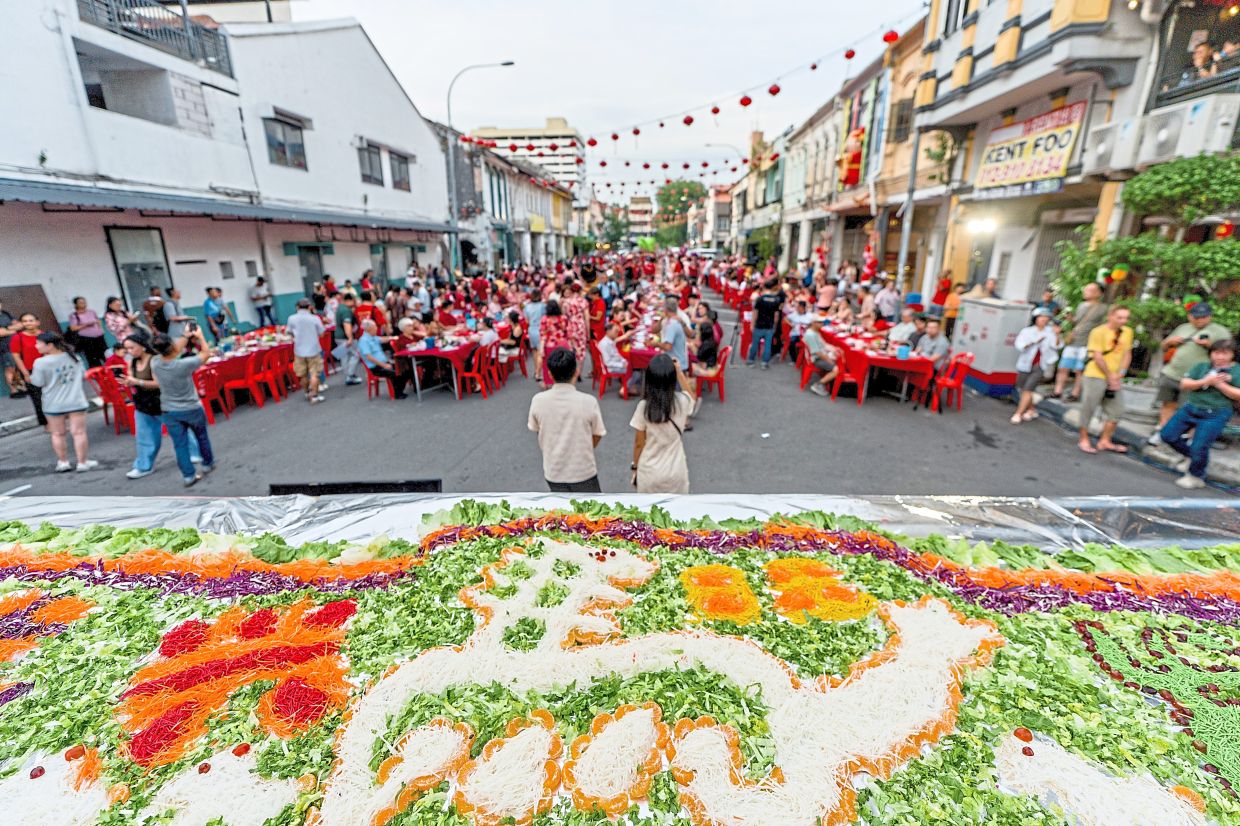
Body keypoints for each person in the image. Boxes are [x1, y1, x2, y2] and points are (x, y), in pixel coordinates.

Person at [1159, 339, 1240, 489]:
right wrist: (1206, 380)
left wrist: (1220, 384)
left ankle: (1196, 475)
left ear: (1232, 355)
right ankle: (1193, 458)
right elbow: (1184, 384)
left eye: (1225, 353)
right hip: (1191, 407)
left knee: (1200, 446)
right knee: (1167, 435)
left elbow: (1237, 394)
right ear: (1211, 354)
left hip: (1216, 412)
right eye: (1216, 353)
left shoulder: (1237, 371)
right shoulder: (1201, 366)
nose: (1220, 357)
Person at [119, 333, 200, 479]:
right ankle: (143, 466)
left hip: (162, 402)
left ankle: (194, 453)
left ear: (142, 346)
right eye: (126, 349)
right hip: (143, 405)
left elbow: (159, 383)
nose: (128, 351)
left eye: (131, 347)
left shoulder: (155, 361)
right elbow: (132, 379)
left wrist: (137, 382)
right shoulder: (132, 363)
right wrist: (128, 382)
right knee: (144, 437)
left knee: (179, 430)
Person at [527, 346, 606, 492]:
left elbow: (537, 429)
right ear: (576, 372)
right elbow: (597, 434)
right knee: (591, 511)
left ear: (549, 374)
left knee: (563, 512)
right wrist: (584, 447)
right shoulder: (588, 401)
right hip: (583, 471)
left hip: (553, 470)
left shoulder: (538, 400)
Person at [1153, 302, 1231, 435]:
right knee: (1168, 403)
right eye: (1196, 317)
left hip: (1196, 378)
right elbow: (1164, 346)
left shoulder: (1220, 331)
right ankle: (1163, 430)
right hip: (1173, 373)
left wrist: (1209, 345)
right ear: (1190, 316)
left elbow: (1228, 353)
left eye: (1203, 317)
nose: (1200, 320)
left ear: (1210, 316)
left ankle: (1185, 437)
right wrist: (1170, 342)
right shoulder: (1183, 328)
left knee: (1189, 409)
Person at [151, 328, 216, 486]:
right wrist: (200, 336)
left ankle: (188, 476)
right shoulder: (185, 364)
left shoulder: (155, 362)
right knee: (202, 437)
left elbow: (172, 350)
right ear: (172, 347)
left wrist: (185, 335)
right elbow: (206, 354)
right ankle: (207, 464)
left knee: (180, 445)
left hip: (169, 410)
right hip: (191, 408)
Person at [27, 331, 96, 473]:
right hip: (76, 401)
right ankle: (82, 462)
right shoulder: (74, 358)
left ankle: (63, 462)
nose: (36, 346)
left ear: (50, 345)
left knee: (58, 434)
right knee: (79, 433)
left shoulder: (40, 363)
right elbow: (83, 376)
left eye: (38, 343)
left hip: (53, 403)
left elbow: (38, 382)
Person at [629, 354, 692, 494]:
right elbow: (690, 395)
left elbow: (639, 443)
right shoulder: (682, 402)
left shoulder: (644, 407)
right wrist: (679, 372)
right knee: (676, 513)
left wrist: (635, 467)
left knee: (647, 514)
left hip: (649, 471)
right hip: (675, 471)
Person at [1078, 306, 1134, 455]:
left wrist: (1120, 374)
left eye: (1126, 318)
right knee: (1089, 407)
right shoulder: (1098, 332)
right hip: (1095, 375)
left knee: (1117, 409)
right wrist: (1110, 376)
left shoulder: (1127, 332)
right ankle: (1083, 438)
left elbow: (1127, 353)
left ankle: (1105, 440)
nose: (1123, 321)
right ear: (1111, 316)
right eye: (1120, 317)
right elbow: (1097, 356)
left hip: (1115, 376)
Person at [1053, 282, 1107, 401]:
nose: (1085, 292)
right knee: (1063, 367)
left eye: (1090, 290)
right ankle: (1058, 391)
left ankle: (1075, 394)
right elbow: (1078, 322)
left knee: (1079, 370)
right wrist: (1071, 319)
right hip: (1074, 340)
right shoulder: (1081, 305)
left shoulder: (1103, 308)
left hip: (1088, 343)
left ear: (1099, 293)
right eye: (1086, 289)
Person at [1011, 308, 1060, 424]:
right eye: (1041, 316)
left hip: (1039, 365)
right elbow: (1019, 345)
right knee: (1022, 388)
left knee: (1028, 389)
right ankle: (1031, 409)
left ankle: (1018, 413)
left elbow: (1057, 346)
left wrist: (1057, 335)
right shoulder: (1027, 331)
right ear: (1035, 318)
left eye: (1046, 317)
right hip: (1025, 363)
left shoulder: (1050, 333)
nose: (1043, 319)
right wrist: (1033, 342)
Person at [287, 298, 326, 404]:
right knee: (314, 374)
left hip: (299, 350)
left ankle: (306, 392)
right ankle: (314, 395)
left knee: (302, 374)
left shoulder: (291, 318)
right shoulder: (314, 318)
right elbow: (322, 333)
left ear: (297, 307)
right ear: (309, 307)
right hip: (313, 349)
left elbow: (289, 332)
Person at [357, 319, 409, 398]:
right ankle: (397, 393)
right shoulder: (364, 340)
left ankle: (399, 390)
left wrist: (394, 337)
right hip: (376, 367)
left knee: (404, 369)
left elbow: (383, 339)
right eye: (374, 327)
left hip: (384, 363)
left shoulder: (373, 337)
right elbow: (369, 357)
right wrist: (384, 365)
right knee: (395, 373)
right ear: (368, 329)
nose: (376, 328)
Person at [9, 312, 46, 424]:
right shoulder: (17, 337)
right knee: (37, 399)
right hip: (30, 371)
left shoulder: (44, 335)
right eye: (25, 321)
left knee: (52, 395)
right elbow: (16, 356)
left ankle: (59, 420)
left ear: (37, 322)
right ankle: (45, 423)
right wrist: (25, 373)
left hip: (47, 369)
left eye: (31, 320)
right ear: (21, 324)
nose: (28, 323)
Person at [747, 279, 784, 368]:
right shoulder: (776, 300)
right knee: (767, 345)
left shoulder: (760, 299)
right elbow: (776, 315)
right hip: (769, 325)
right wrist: (775, 325)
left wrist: (752, 324)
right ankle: (764, 363)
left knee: (755, 343)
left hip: (759, 324)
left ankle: (751, 360)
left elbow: (755, 313)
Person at [802, 316, 840, 397]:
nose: (821, 324)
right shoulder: (811, 335)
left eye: (822, 322)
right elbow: (817, 353)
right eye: (819, 322)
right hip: (817, 358)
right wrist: (829, 360)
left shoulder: (815, 331)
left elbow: (824, 344)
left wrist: (834, 349)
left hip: (821, 355)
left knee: (838, 357)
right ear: (813, 323)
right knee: (837, 369)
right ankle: (818, 384)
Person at [538, 300, 572, 388]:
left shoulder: (545, 319)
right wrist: (570, 346)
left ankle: (548, 382)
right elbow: (568, 333)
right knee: (564, 363)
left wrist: (541, 348)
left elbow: (543, 335)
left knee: (548, 364)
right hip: (563, 343)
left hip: (550, 344)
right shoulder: (563, 318)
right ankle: (564, 381)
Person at [66, 297, 108, 368]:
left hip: (99, 338)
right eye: (81, 302)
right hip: (87, 340)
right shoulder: (74, 316)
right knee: (93, 359)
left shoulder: (92, 312)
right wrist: (86, 325)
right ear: (76, 304)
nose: (84, 304)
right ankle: (99, 375)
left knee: (106, 355)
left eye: (84, 302)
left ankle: (113, 372)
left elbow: (98, 321)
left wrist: (101, 329)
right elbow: (73, 328)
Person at [332, 292, 361, 385]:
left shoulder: (340, 308)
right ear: (349, 300)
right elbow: (347, 324)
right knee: (356, 354)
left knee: (344, 356)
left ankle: (348, 376)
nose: (355, 303)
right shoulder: (346, 311)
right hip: (345, 337)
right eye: (354, 301)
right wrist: (350, 338)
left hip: (338, 336)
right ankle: (350, 375)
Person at [0, 299, 18, 397]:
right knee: (10, 369)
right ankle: (14, 391)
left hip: (14, 345)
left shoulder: (6, 314)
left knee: (16, 367)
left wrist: (6, 329)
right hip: (4, 348)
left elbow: (19, 325)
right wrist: (11, 329)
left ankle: (20, 388)